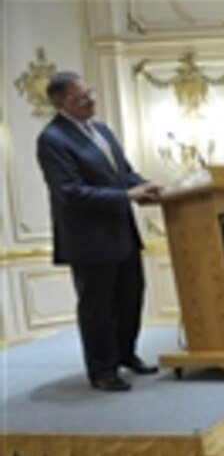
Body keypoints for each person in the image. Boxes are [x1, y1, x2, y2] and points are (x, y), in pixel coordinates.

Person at [36, 71, 162, 391]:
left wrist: (144, 186)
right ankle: (102, 370)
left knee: (130, 297)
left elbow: (123, 173)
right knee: (98, 308)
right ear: (61, 103)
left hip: (122, 233)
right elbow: (69, 192)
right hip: (88, 241)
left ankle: (125, 354)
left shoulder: (101, 130)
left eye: (90, 93)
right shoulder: (52, 139)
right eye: (82, 97)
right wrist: (126, 196)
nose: (92, 100)